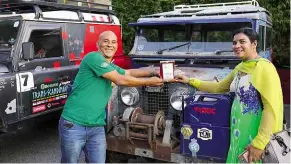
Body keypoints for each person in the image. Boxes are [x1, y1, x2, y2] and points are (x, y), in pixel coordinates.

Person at [175, 27, 283, 163]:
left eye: (242, 41)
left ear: (254, 44)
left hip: (255, 132)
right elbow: (219, 87)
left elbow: (270, 108)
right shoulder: (240, 68)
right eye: (234, 43)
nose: (237, 46)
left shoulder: (264, 68)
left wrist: (259, 143)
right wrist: (190, 80)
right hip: (238, 129)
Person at [59, 30, 164, 163]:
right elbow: (121, 80)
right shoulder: (93, 58)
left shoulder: (109, 66)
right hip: (74, 124)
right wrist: (151, 81)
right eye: (106, 41)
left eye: (113, 42)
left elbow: (128, 72)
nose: (110, 45)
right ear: (98, 44)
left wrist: (154, 71)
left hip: (96, 126)